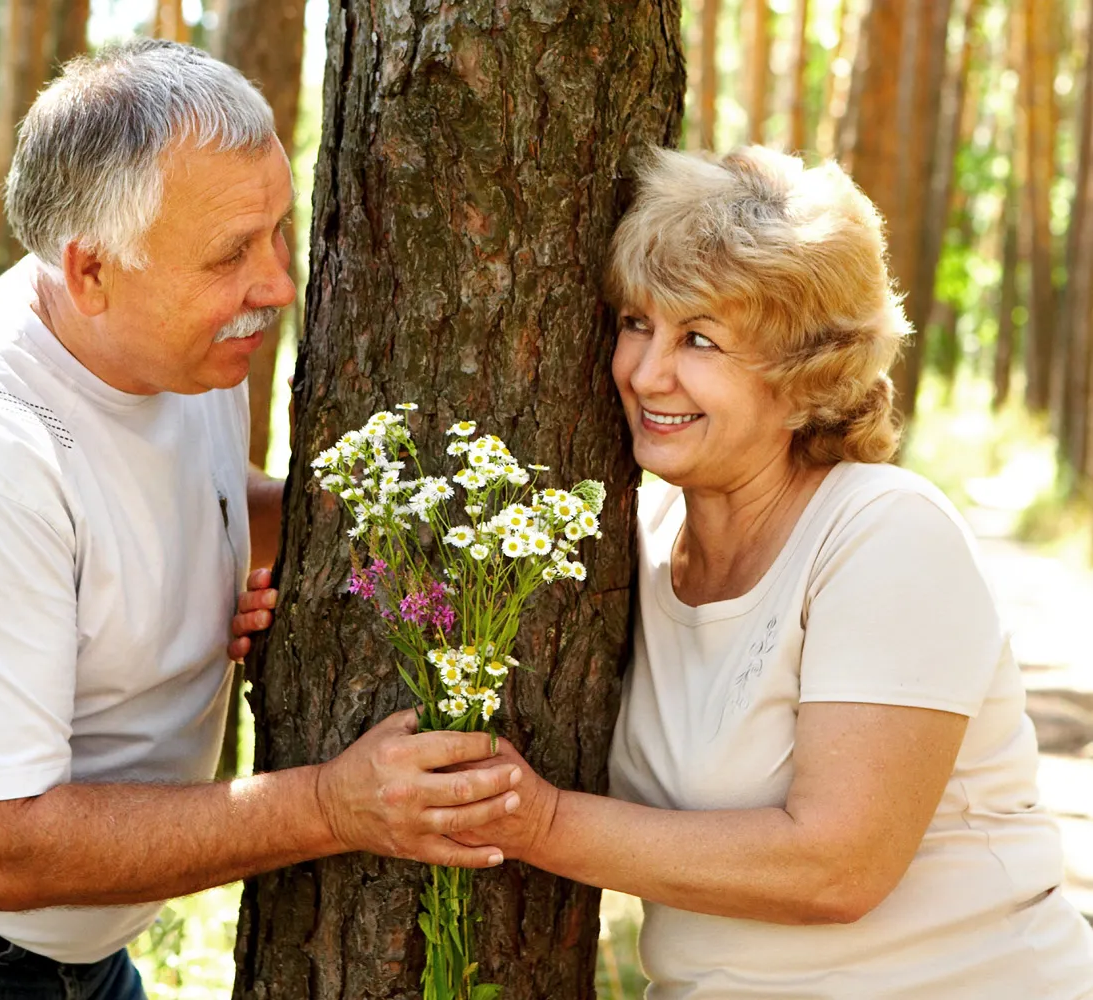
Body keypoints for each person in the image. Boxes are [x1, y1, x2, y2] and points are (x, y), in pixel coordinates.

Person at [0, 41, 521, 999]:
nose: (277, 284)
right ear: (92, 270)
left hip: (68, 957)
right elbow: (8, 850)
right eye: (231, 254)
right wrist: (334, 804)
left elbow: (189, 498)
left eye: (279, 230)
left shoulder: (173, 350)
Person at [455, 146, 1093, 998]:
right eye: (637, 322)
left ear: (806, 381)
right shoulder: (632, 544)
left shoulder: (884, 535)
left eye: (701, 339)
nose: (646, 373)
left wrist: (536, 822)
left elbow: (836, 866)